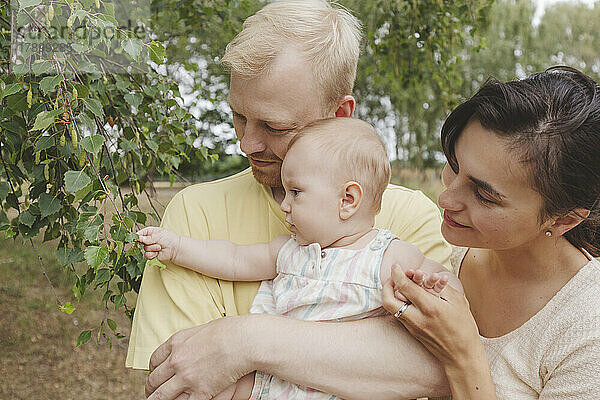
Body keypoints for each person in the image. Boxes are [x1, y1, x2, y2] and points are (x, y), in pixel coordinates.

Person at [128, 1, 454, 399]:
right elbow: (178, 384)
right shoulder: (195, 215)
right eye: (238, 116)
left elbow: (444, 366)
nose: (247, 143)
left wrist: (245, 341)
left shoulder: (411, 219)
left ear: (340, 116)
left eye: (275, 126)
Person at [136, 118, 460, 400]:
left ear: (348, 200)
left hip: (352, 385)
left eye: (296, 192)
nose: (285, 205)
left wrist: (431, 284)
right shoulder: (289, 251)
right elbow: (234, 259)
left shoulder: (388, 254)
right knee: (209, 388)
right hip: (275, 381)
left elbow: (450, 296)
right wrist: (178, 248)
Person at [383, 66, 600, 399]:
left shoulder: (586, 329)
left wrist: (463, 357)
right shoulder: (432, 250)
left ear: (563, 221)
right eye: (453, 165)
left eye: (483, 195)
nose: (445, 199)